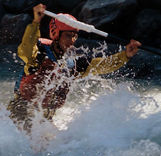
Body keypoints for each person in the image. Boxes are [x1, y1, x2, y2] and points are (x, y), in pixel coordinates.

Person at [8, 3, 141, 132]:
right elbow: (25, 49)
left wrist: (125, 55)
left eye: (74, 36)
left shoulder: (72, 64)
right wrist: (36, 22)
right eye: (68, 35)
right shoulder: (39, 54)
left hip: (44, 120)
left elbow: (101, 66)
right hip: (20, 115)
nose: (72, 41)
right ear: (56, 34)